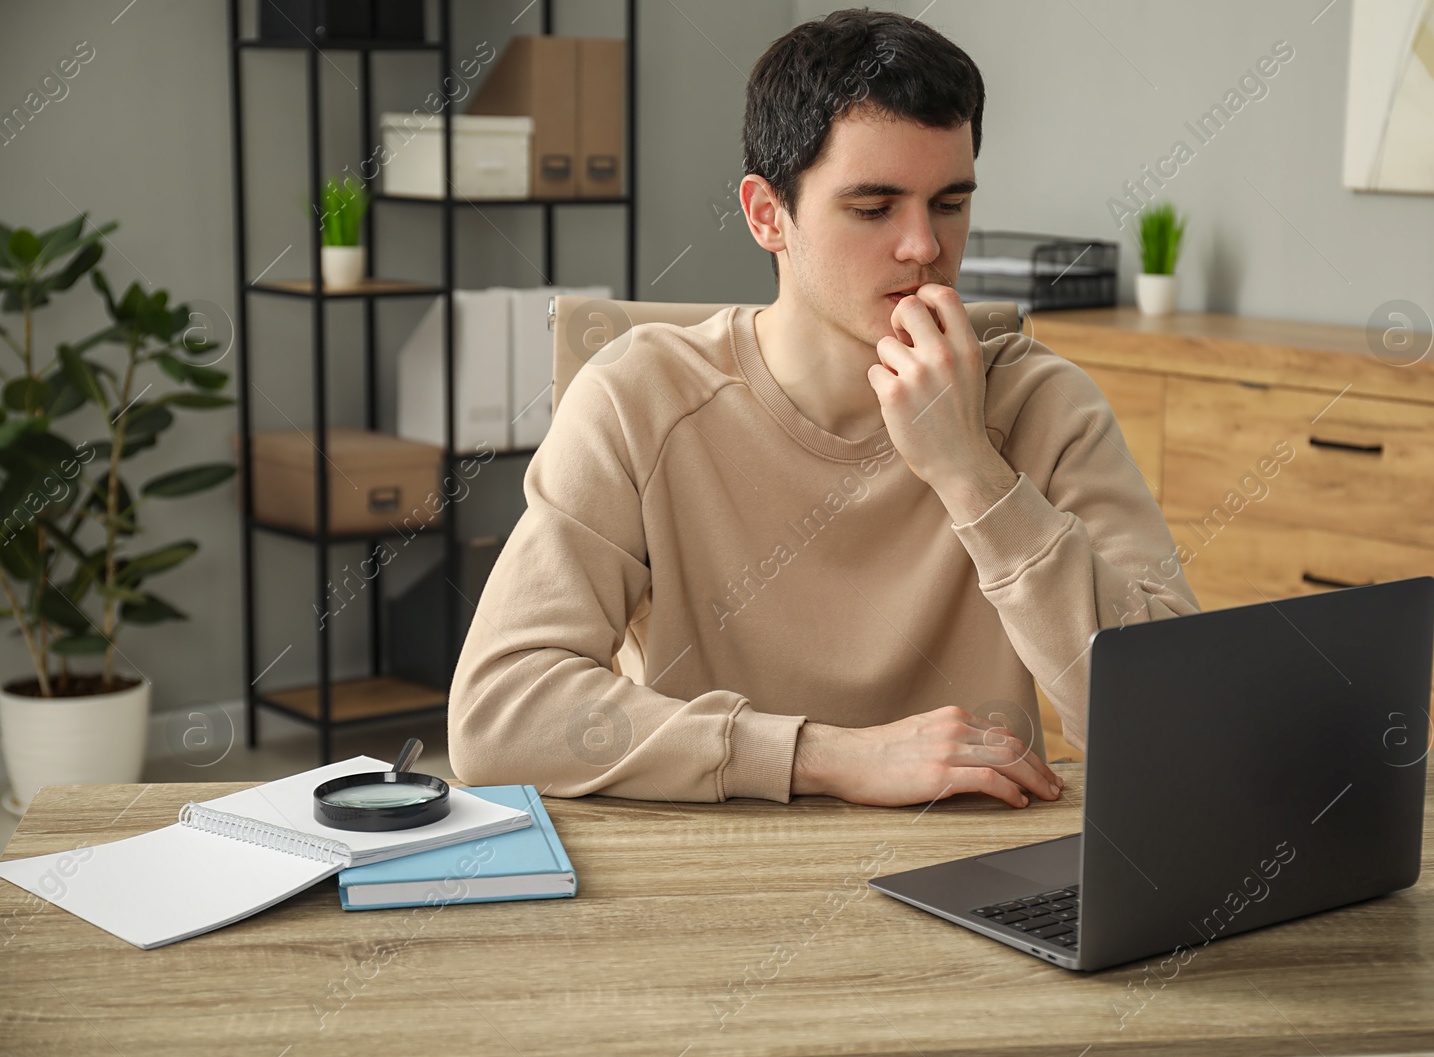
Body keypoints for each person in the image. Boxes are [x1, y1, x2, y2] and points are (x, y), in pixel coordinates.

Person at [448, 8, 1200, 808]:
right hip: (715, 869)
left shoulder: (1046, 405)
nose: (923, 246)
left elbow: (1178, 725)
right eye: (874, 209)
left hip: (975, 870)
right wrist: (825, 757)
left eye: (949, 203)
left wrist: (973, 475)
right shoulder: (638, 398)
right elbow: (499, 715)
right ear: (768, 215)